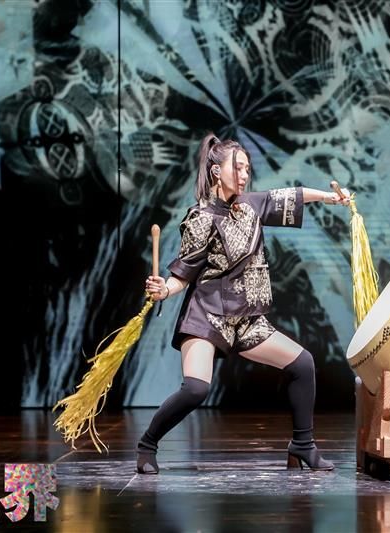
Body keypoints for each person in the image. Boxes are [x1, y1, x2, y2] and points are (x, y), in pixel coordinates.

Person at [137, 133, 350, 474]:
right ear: (215, 171)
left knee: (303, 364)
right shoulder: (201, 218)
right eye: (237, 168)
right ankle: (147, 445)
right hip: (208, 316)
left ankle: (302, 445)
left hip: (247, 319)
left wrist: (330, 198)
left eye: (247, 169)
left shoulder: (250, 206)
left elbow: (293, 195)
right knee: (196, 389)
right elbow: (184, 273)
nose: (244, 174)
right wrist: (165, 289)